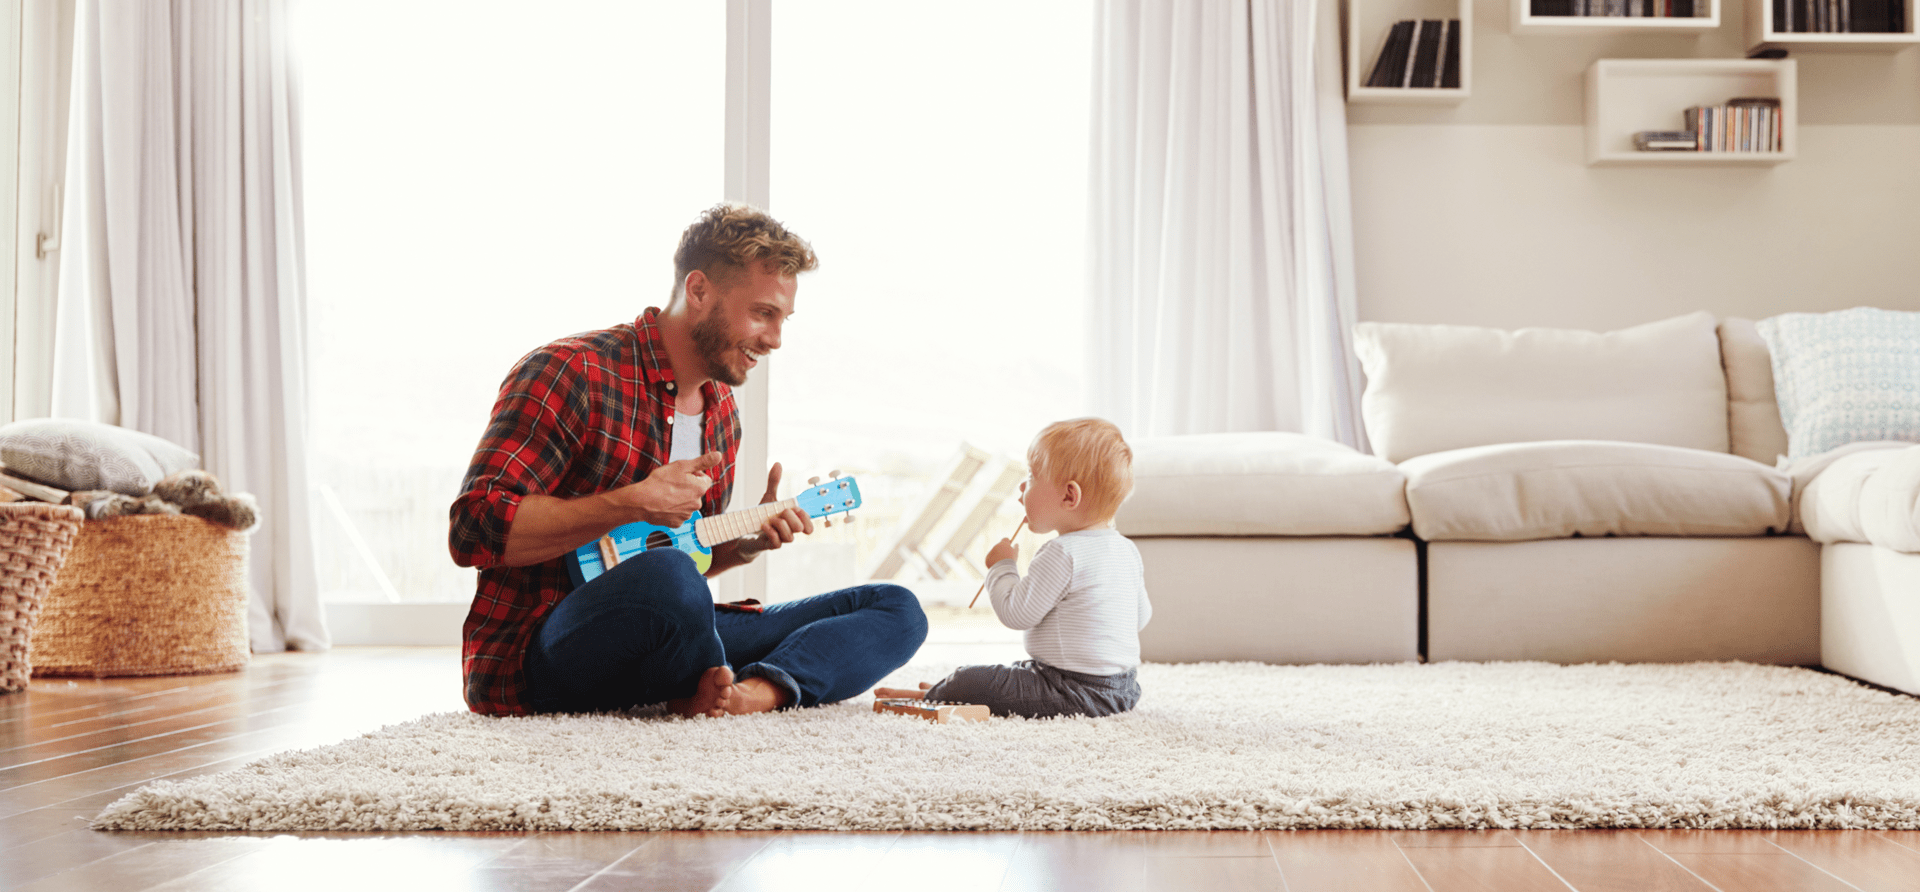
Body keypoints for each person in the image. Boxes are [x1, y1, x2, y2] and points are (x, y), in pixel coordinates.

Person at [449, 203, 927, 718]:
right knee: (669, 577)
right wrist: (631, 504)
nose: (775, 339)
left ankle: (754, 693)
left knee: (896, 609)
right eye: (762, 313)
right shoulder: (570, 372)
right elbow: (473, 529)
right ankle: (701, 678)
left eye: (783, 319)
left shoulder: (722, 415)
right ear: (698, 291)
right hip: (541, 649)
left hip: (663, 636)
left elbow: (687, 555)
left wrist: (742, 546)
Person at [875, 418, 1150, 718]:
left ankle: (938, 694)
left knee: (974, 677)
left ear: (1069, 496)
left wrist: (1002, 566)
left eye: (1032, 477)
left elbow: (1016, 614)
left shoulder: (1062, 552)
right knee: (1015, 673)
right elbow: (1141, 617)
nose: (1022, 486)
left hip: (1072, 692)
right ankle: (952, 688)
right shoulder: (1126, 549)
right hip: (1123, 690)